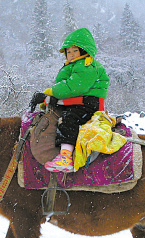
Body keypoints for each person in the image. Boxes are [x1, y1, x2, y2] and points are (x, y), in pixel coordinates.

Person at [30, 28, 110, 172]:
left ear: (84, 50)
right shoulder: (76, 65)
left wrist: (51, 93)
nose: (71, 54)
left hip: (87, 104)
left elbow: (73, 87)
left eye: (75, 51)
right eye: (68, 51)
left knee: (68, 119)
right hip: (76, 102)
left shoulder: (87, 65)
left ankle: (66, 156)